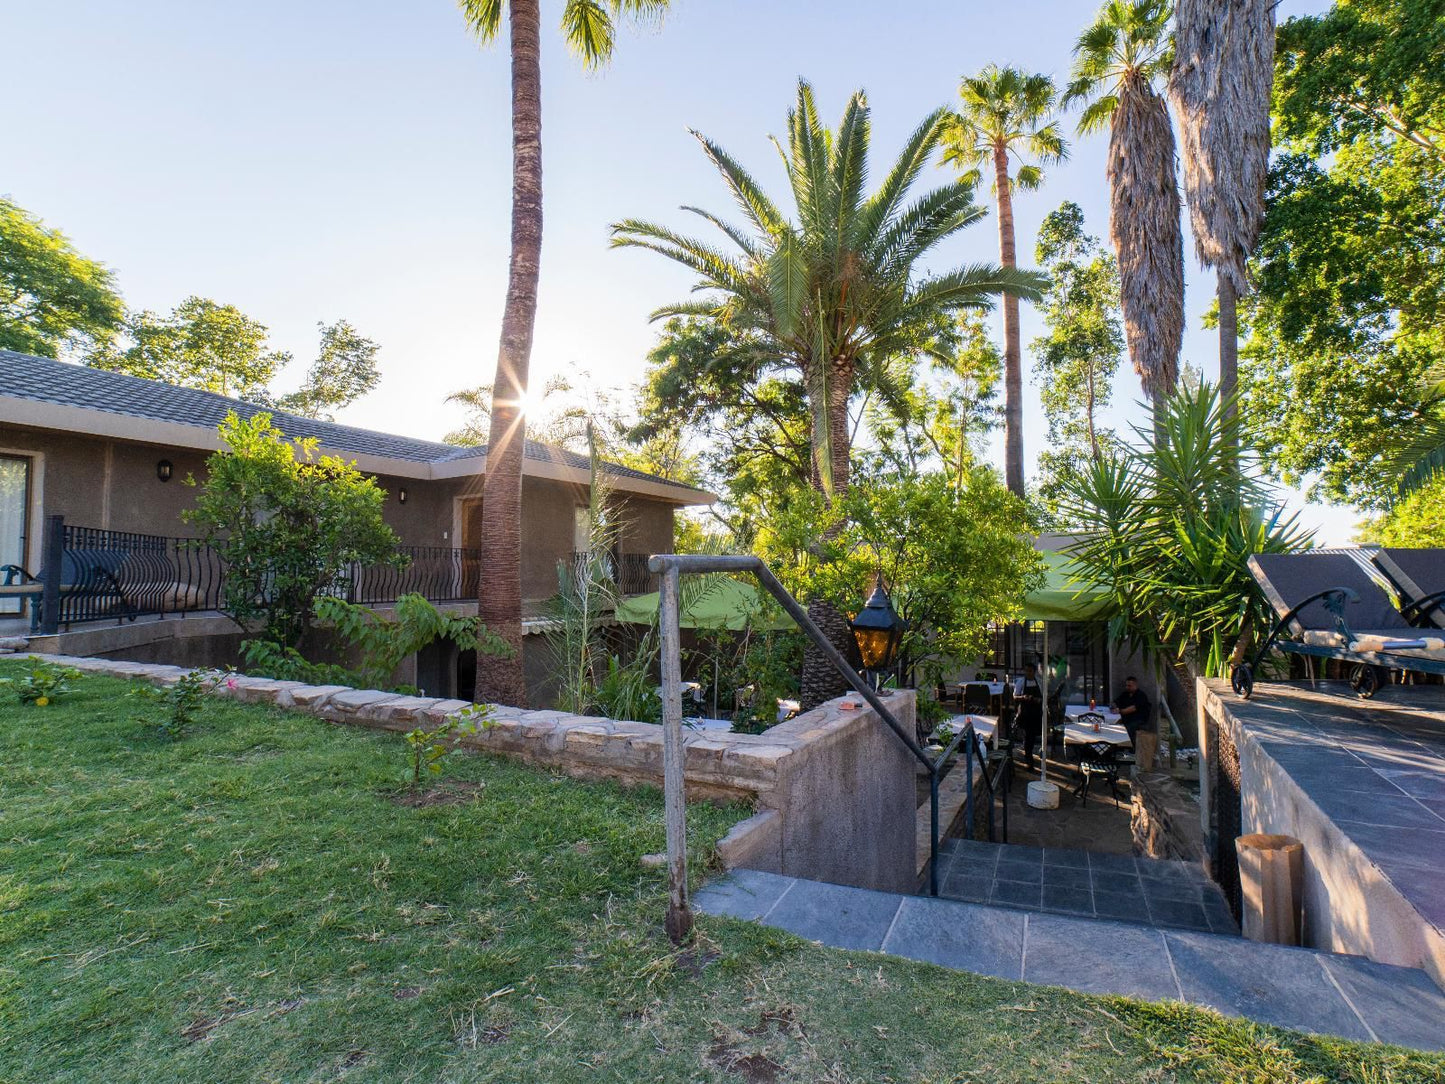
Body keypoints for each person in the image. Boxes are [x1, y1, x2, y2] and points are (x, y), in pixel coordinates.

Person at [1014, 662, 1043, 771]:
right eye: (1026, 670)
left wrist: (1038, 700)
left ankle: (1029, 757)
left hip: (1036, 713)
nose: (1028, 673)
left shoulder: (1039, 682)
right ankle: (1028, 759)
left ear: (1034, 672)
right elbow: (1015, 697)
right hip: (1025, 713)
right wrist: (1023, 697)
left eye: (1030, 671)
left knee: (1033, 736)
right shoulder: (1021, 682)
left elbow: (1044, 697)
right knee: (1027, 736)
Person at [1113, 675, 1152, 748]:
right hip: (1126, 718)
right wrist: (1114, 707)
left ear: (1135, 685)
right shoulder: (1125, 694)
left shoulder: (1141, 695)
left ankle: (1131, 748)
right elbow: (1115, 702)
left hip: (1138, 720)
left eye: (1129, 686)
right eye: (1126, 685)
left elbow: (1132, 709)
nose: (1127, 687)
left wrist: (1119, 711)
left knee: (1127, 728)